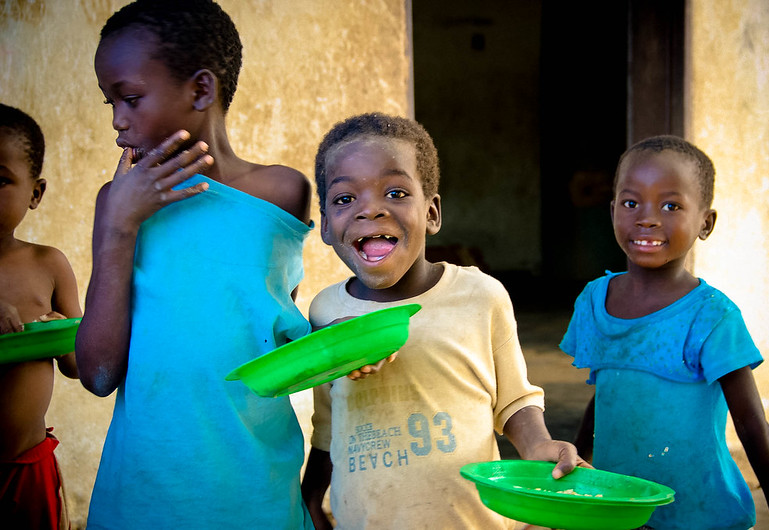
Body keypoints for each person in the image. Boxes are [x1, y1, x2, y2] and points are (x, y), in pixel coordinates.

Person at [74, 1, 314, 528]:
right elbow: (96, 373)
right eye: (109, 101)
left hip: (255, 484)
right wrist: (119, 227)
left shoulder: (282, 194)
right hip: (145, 490)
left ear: (201, 90)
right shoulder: (116, 207)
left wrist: (335, 340)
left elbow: (272, 333)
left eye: (130, 98)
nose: (117, 121)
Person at [300, 112, 587, 529]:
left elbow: (514, 399)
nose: (370, 210)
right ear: (326, 225)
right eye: (345, 199)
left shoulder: (479, 296)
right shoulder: (325, 312)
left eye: (396, 192)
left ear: (432, 212)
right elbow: (328, 425)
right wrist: (311, 500)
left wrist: (538, 442)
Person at [560, 135, 769, 529]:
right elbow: (608, 391)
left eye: (670, 205)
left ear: (705, 223)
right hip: (618, 507)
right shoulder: (593, 301)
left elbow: (752, 425)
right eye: (630, 202)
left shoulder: (711, 316)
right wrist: (577, 471)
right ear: (613, 210)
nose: (647, 218)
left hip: (700, 514)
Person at [0, 103, 82, 529]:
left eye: (0, 180)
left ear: (35, 193)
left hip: (27, 467)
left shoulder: (48, 264)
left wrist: (62, 333)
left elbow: (78, 366)